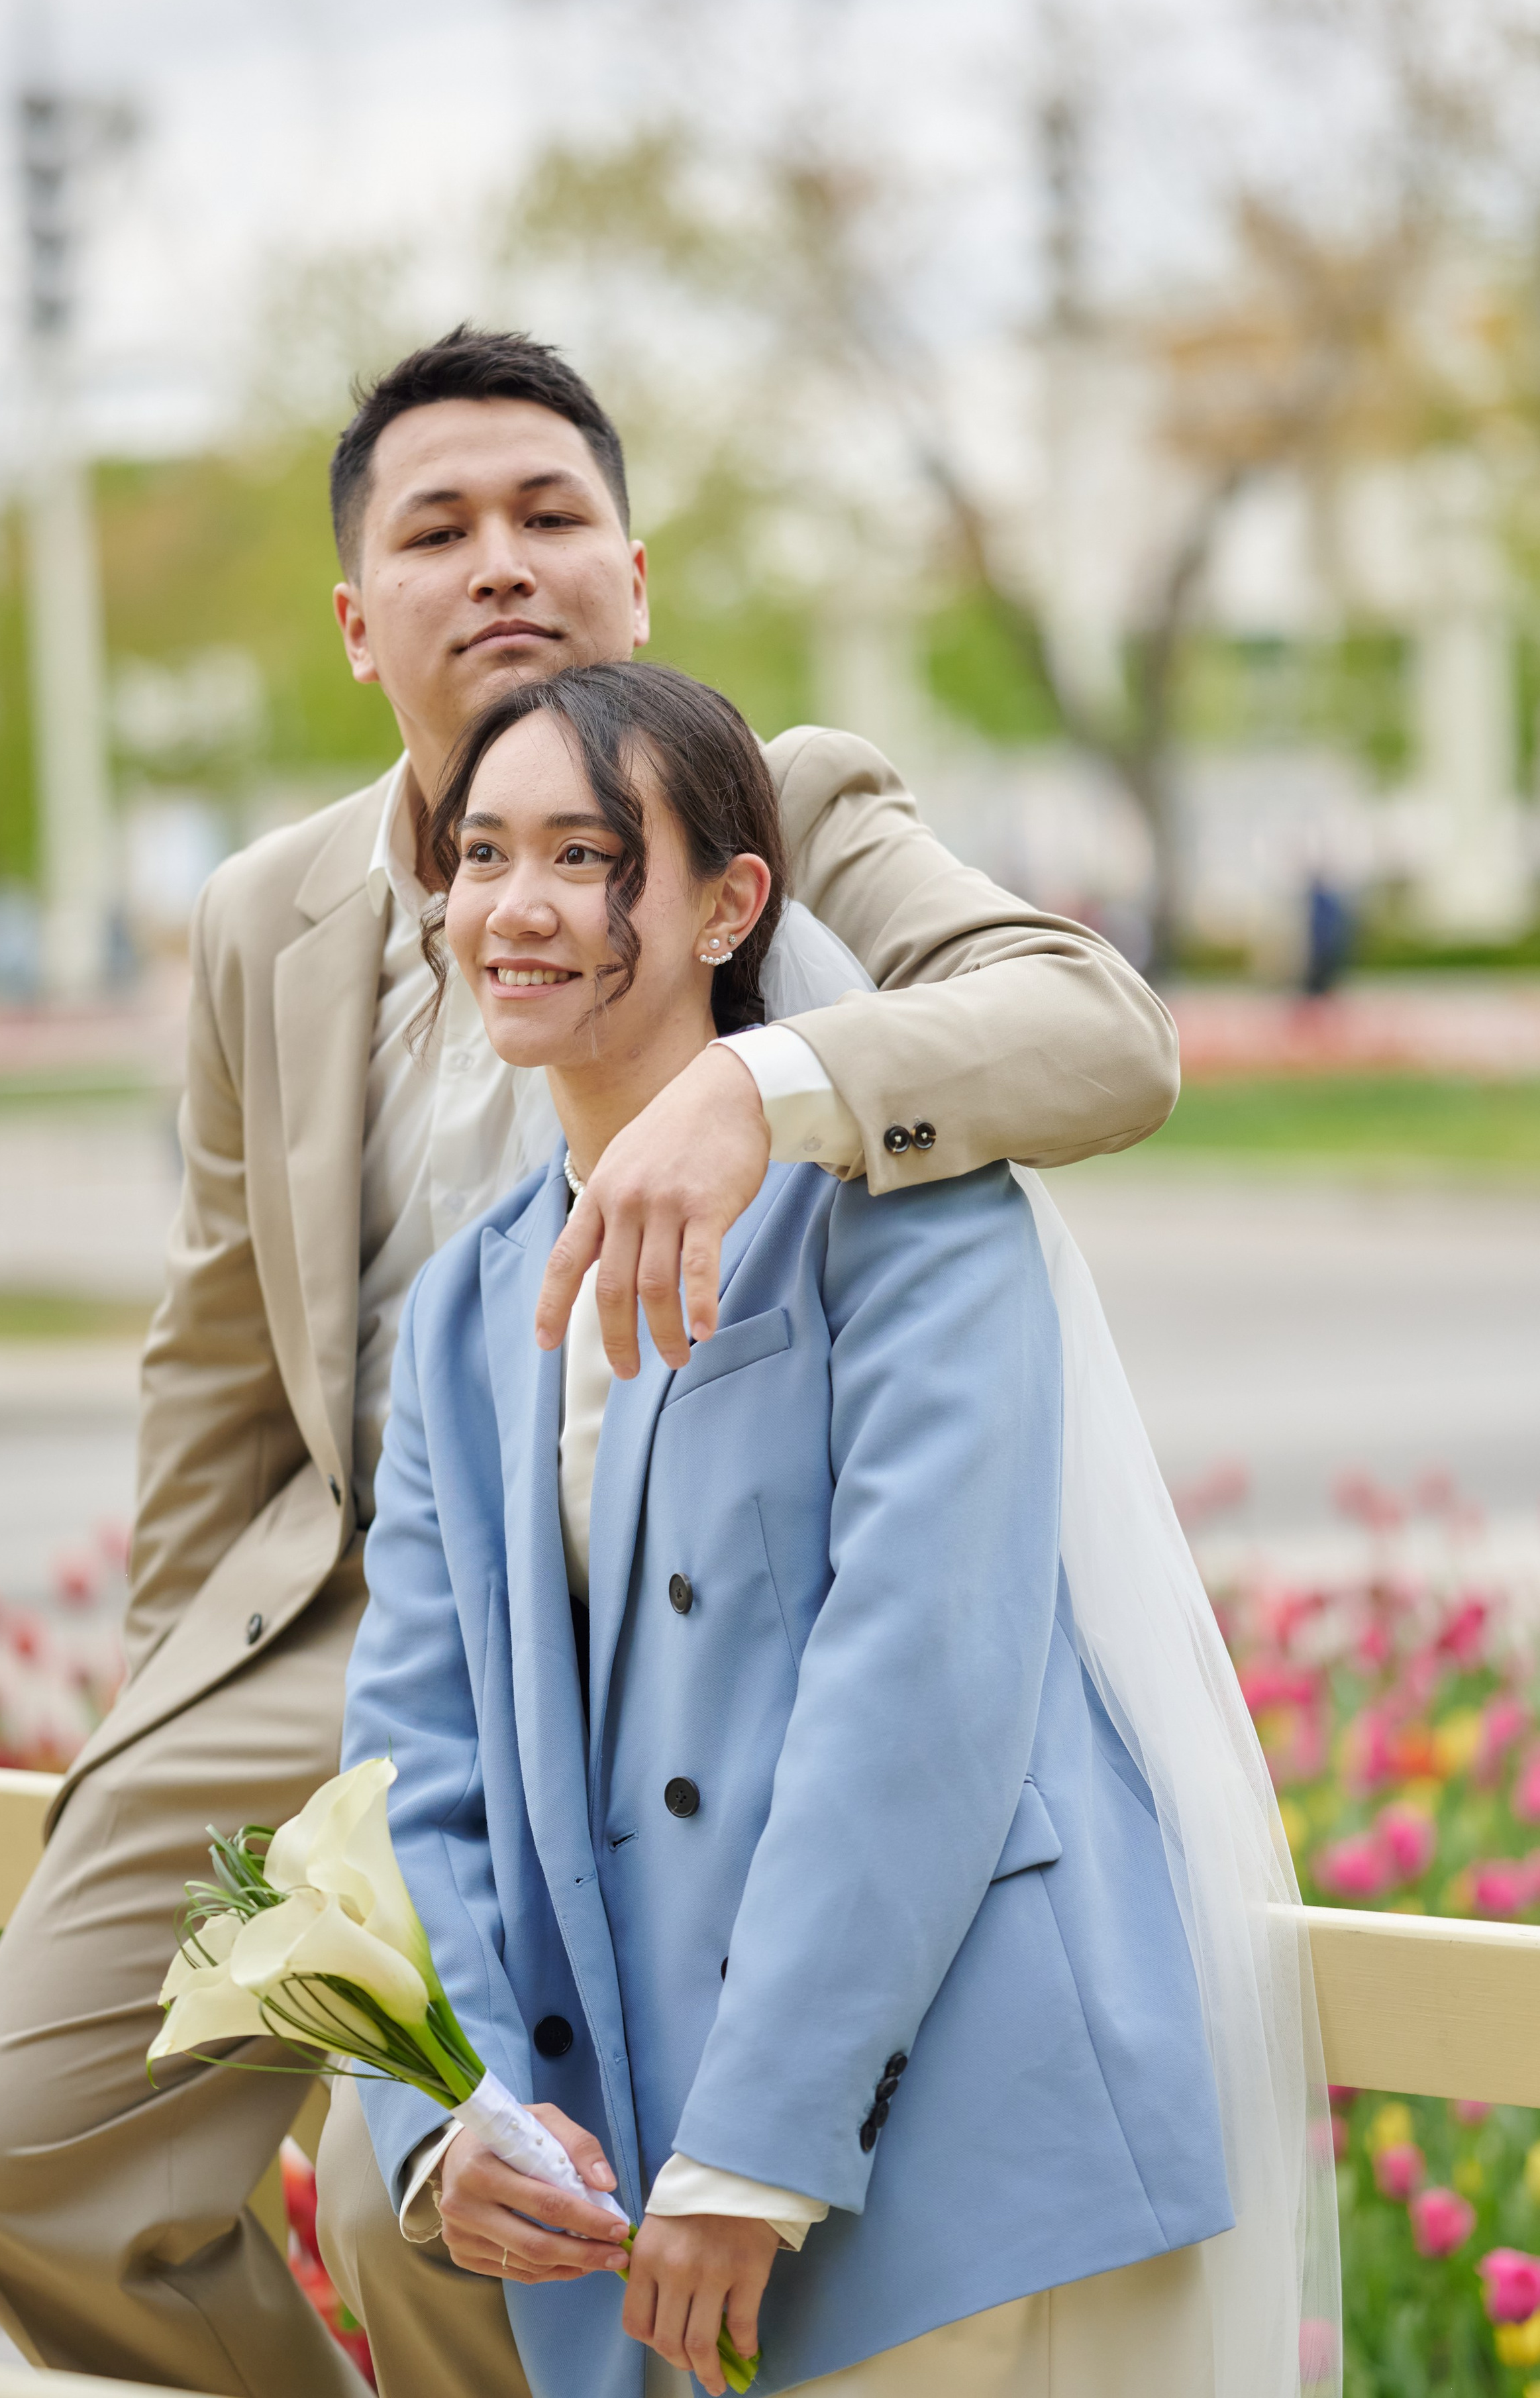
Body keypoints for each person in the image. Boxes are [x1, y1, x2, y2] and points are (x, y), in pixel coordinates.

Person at [0, 327, 1182, 2398]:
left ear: (636, 577)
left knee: (430, 2193)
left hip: (667, 1598)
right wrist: (171, 1719)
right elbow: (214, 1364)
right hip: (343, 1617)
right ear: (358, 621)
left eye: (550, 514)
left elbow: (1101, 1033)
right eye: (439, 529)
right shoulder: (263, 911)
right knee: (9, 2158)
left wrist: (769, 1084)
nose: (501, 559)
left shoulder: (784, 798)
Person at [338, 660, 1330, 2398]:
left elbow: (919, 1685)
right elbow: (413, 1749)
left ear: (732, 905)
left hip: (948, 2150)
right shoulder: (462, 1308)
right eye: (483, 855)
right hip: (624, 2180)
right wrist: (439, 2105)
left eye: (584, 855)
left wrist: (757, 2150)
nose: (517, 904)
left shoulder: (911, 1219)